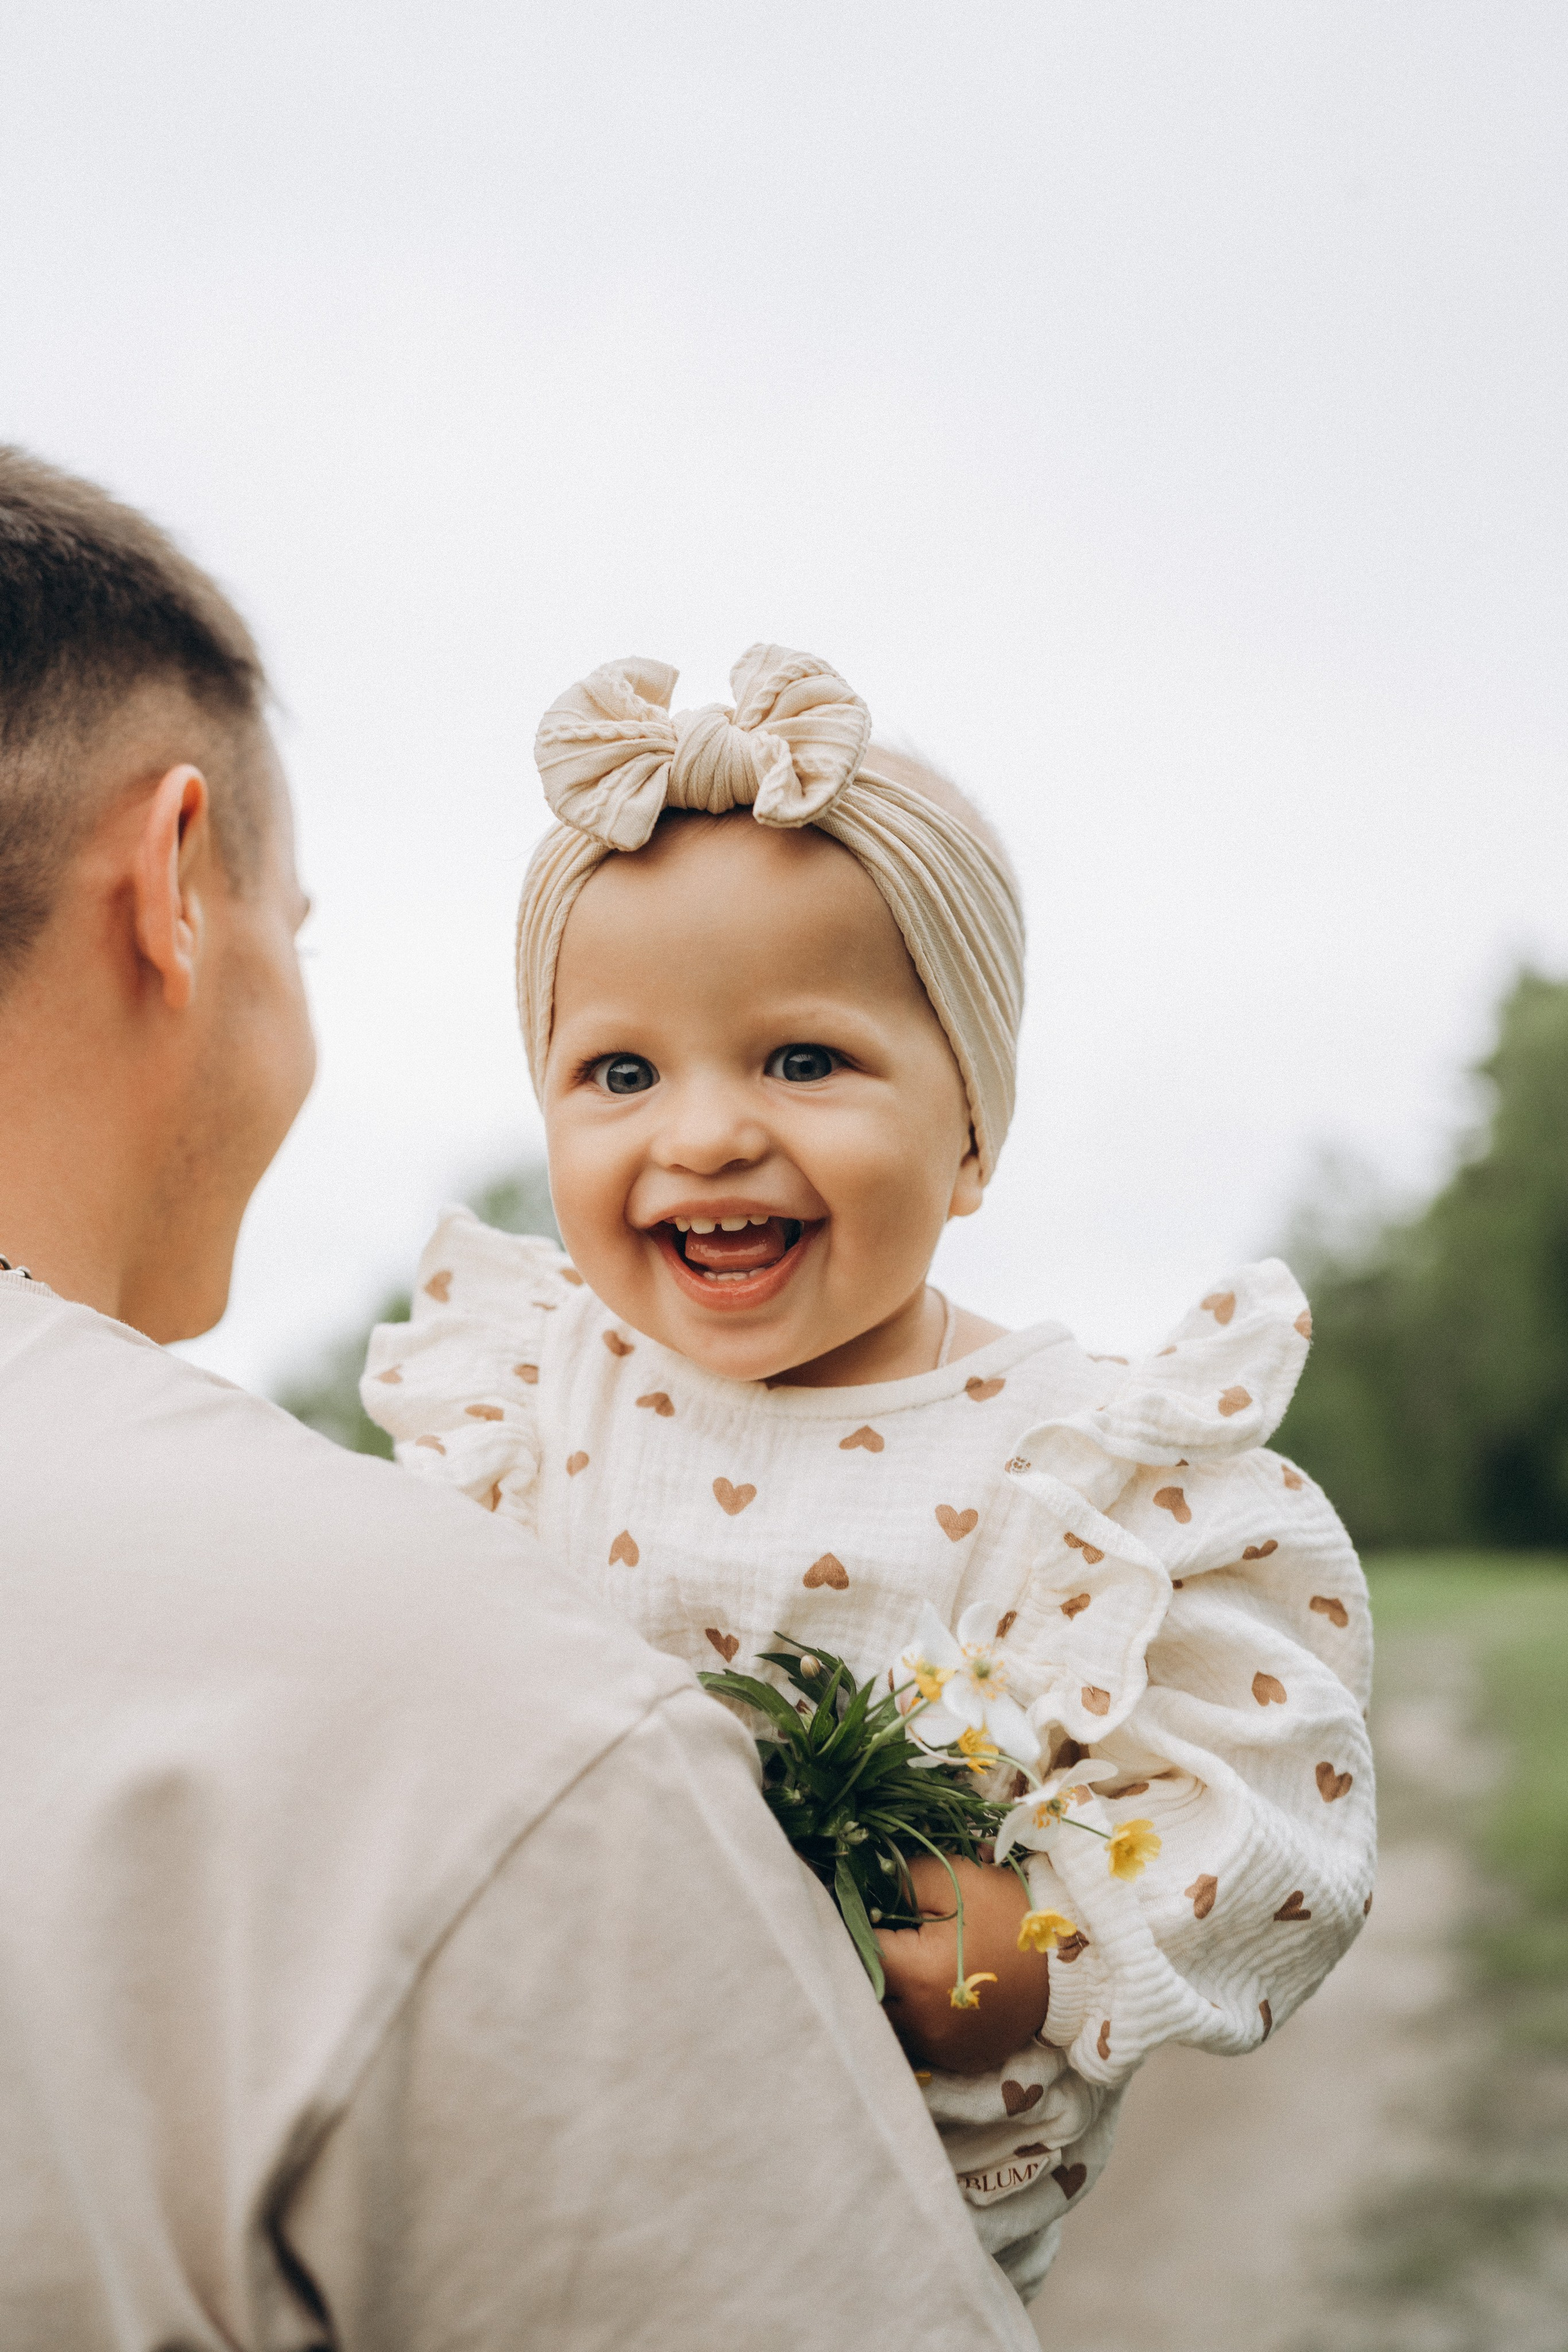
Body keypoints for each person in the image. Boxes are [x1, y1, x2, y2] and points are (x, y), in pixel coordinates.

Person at [0, 456, 1041, 2351]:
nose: (706, 1132)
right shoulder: (458, 1702)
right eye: (292, 924)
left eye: (802, 1056)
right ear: (174, 889)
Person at [364, 643, 1378, 2299]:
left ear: (971, 1131)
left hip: (887, 2232)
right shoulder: (530, 1398)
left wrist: (1022, 1958)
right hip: (538, 2172)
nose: (700, 1134)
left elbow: (1260, 1818)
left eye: (801, 1060)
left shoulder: (1074, 1467)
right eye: (621, 1072)